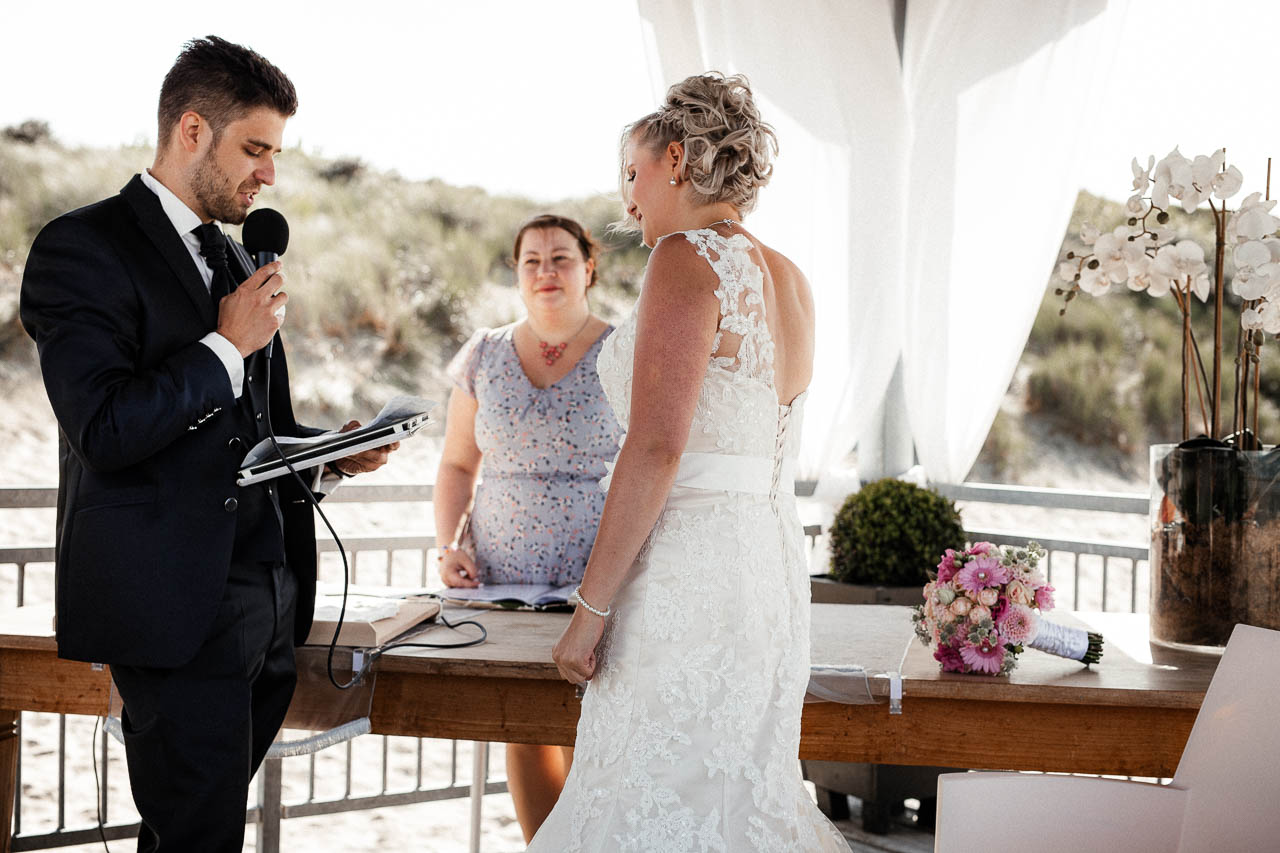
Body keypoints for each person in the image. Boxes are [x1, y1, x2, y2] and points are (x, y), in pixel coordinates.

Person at [19, 36, 395, 852]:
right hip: (172, 606)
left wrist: (327, 451)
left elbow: (251, 429)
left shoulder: (235, 254)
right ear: (191, 130)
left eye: (276, 153)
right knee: (197, 837)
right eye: (254, 149)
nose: (269, 174)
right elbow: (105, 428)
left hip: (267, 600)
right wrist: (225, 347)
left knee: (197, 833)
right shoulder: (80, 248)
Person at [527, 73, 848, 850]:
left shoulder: (684, 256)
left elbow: (658, 445)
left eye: (632, 174)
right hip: (765, 574)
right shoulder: (790, 277)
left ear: (676, 159)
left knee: (653, 798)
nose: (627, 199)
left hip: (688, 579)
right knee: (736, 793)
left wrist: (590, 610)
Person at [434, 213, 622, 841]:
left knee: (589, 718)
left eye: (561, 257)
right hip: (502, 575)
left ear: (588, 267)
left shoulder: (624, 350)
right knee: (522, 718)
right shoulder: (485, 353)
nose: (546, 271)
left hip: (595, 574)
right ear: (517, 273)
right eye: (532, 260)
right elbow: (458, 463)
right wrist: (447, 545)